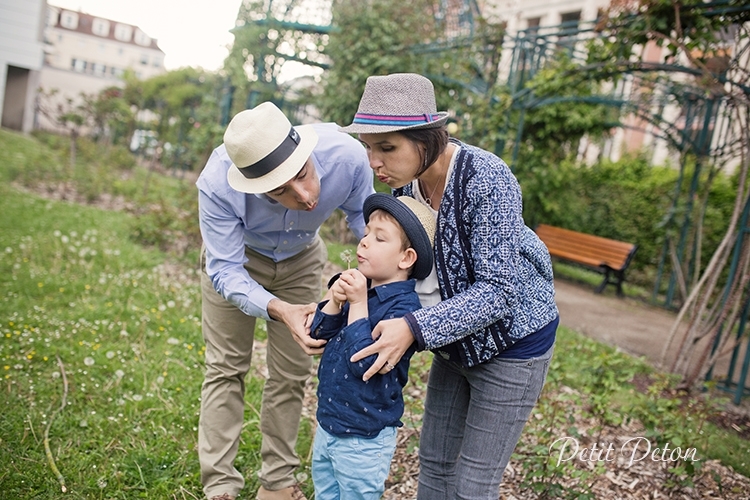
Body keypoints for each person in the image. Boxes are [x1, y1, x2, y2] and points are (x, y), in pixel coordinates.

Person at [339, 73, 560, 499]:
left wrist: (414, 328)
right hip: (455, 343)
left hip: (513, 346)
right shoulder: (406, 184)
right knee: (435, 469)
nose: (374, 162)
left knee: (473, 486)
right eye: (369, 147)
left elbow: (499, 291)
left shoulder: (486, 178)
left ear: (428, 139)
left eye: (387, 148)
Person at [196, 101, 375, 500]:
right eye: (281, 191)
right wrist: (279, 310)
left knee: (292, 372)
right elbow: (225, 270)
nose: (307, 196)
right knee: (226, 367)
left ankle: (276, 480)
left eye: (304, 175)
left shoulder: (346, 157)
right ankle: (220, 484)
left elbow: (367, 224)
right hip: (241, 260)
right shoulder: (216, 183)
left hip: (302, 261)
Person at [309, 193, 436, 500]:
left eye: (379, 238)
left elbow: (364, 362)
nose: (364, 242)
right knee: (326, 493)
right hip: (329, 423)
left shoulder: (404, 310)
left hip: (363, 438)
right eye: (366, 233)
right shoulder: (360, 289)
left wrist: (357, 304)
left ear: (405, 258)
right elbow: (318, 333)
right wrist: (336, 301)